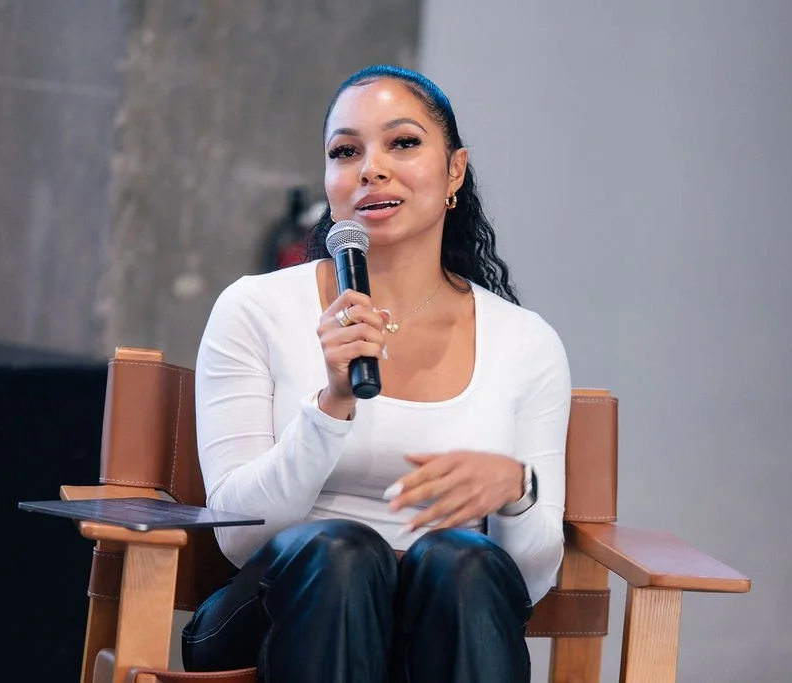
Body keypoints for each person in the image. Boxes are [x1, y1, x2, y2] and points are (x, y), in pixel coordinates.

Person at [181, 64, 572, 683]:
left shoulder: (526, 343)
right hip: (274, 621)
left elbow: (530, 578)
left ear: (455, 171)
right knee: (342, 553)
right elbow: (239, 537)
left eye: (403, 143)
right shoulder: (256, 309)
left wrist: (516, 493)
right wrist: (331, 404)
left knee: (464, 562)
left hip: (442, 628)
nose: (371, 169)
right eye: (346, 152)